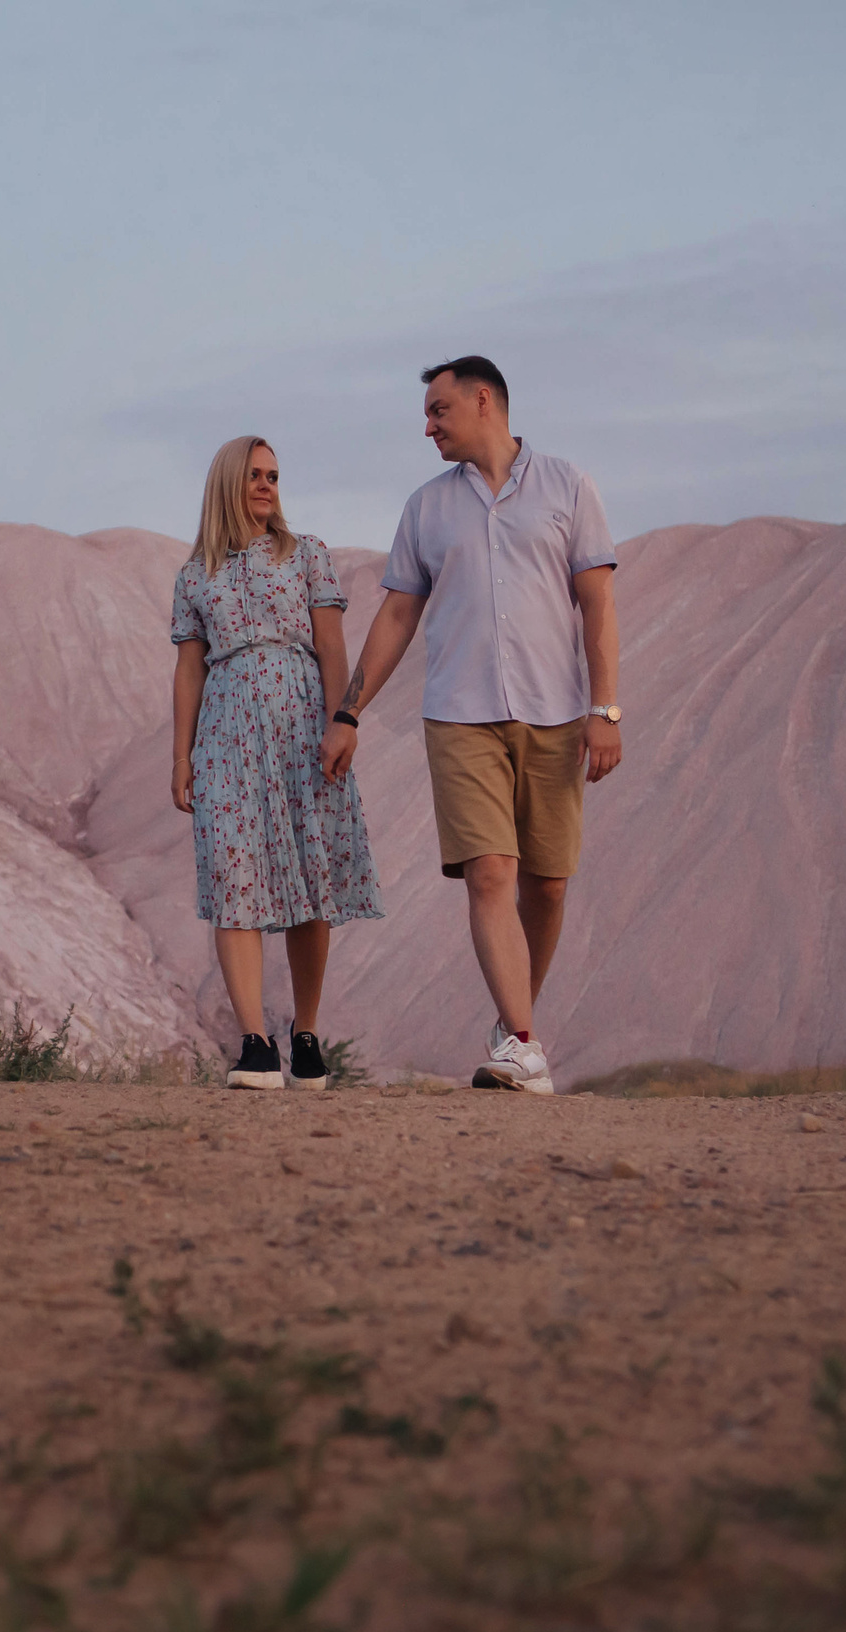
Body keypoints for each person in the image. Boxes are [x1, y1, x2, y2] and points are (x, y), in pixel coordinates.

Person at [318, 357, 620, 1093]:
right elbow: (396, 615)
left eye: (437, 410)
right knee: (491, 874)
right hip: (460, 714)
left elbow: (599, 606)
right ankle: (523, 1041)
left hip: (555, 714)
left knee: (546, 887)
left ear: (483, 401)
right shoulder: (426, 508)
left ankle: (513, 1033)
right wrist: (349, 709)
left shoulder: (568, 486)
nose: (427, 426)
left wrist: (606, 708)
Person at [170, 436, 383, 1090]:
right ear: (228, 483)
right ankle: (256, 1043)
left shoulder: (306, 554)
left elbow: (331, 647)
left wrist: (341, 721)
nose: (266, 485)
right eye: (255, 475)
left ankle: (306, 1032)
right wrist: (181, 757)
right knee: (235, 881)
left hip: (302, 732)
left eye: (274, 476)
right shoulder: (195, 575)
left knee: (308, 883)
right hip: (227, 739)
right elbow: (187, 672)